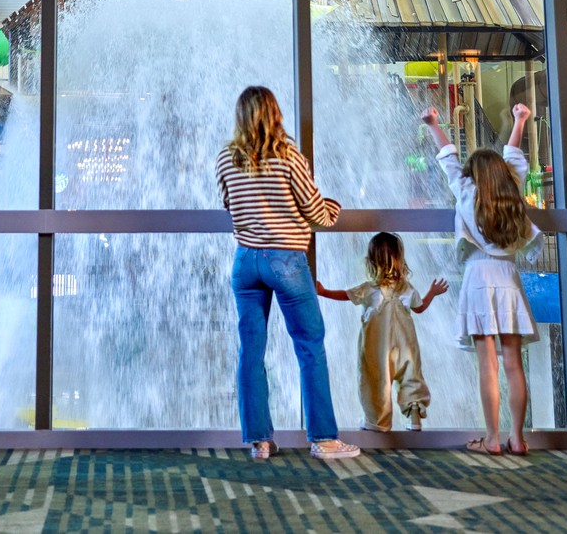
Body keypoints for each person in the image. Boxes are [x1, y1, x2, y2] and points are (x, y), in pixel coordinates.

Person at [216, 85, 358, 461]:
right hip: (286, 260)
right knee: (310, 345)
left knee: (250, 351)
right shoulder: (289, 158)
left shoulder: (227, 159)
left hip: (246, 261)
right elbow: (316, 212)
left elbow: (229, 204)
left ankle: (259, 441)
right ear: (274, 114)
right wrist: (333, 209)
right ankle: (324, 439)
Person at [422, 102, 539, 456]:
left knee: (488, 366)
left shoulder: (467, 193)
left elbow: (448, 160)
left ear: (473, 175)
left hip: (477, 278)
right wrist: (520, 120)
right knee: (514, 365)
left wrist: (433, 124)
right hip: (508, 277)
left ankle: (492, 438)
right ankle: (517, 438)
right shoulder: (513, 193)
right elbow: (515, 157)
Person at [316, 232, 450, 432]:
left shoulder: (370, 289)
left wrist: (324, 291)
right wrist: (433, 292)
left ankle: (378, 422)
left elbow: (346, 295)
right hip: (406, 347)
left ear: (371, 261)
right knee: (411, 377)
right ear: (399, 259)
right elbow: (420, 308)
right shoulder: (405, 288)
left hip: (378, 350)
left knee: (377, 380)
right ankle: (414, 417)